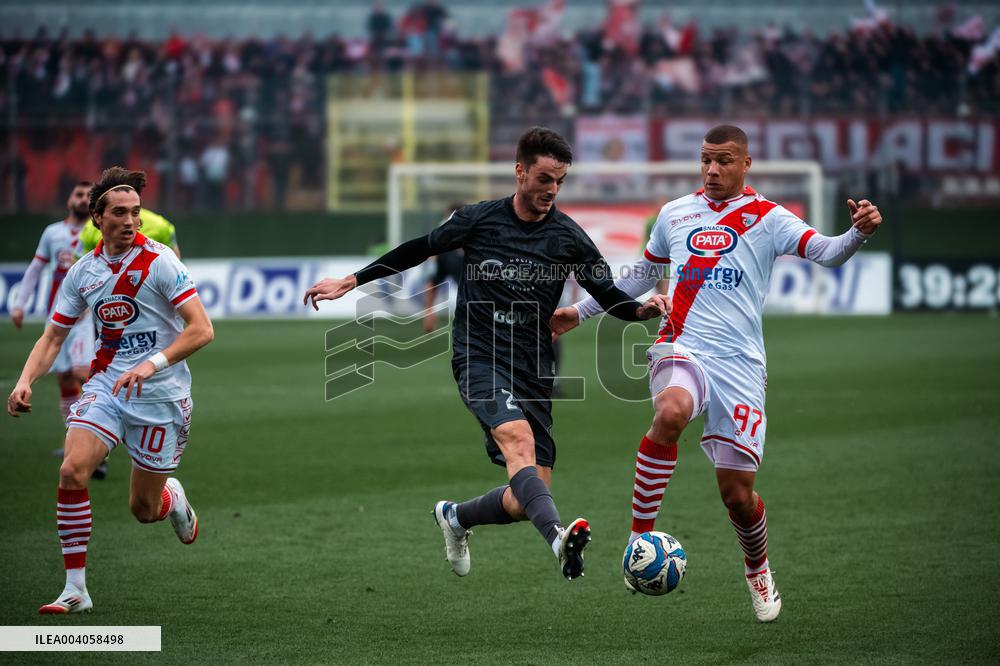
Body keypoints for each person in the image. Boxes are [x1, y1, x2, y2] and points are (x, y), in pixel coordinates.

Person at [305, 127, 669, 581]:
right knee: (517, 440)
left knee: (525, 498)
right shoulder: (479, 219)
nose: (551, 190)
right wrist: (352, 281)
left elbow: (607, 292)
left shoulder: (569, 238)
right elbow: (419, 248)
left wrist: (641, 310)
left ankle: (456, 518)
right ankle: (559, 539)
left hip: (533, 366)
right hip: (478, 355)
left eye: (559, 181)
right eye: (543, 178)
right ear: (520, 172)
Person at [552, 124, 883, 620]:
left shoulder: (770, 218)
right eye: (706, 159)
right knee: (672, 410)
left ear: (745, 163)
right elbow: (643, 276)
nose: (712, 169)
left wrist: (858, 231)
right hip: (679, 346)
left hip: (740, 366)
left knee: (738, 495)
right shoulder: (674, 213)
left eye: (724, 160)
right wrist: (579, 313)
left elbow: (828, 252)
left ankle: (757, 568)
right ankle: (639, 540)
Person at [7, 167, 214, 614]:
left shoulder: (161, 262)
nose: (130, 220)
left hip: (162, 396)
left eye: (135, 212)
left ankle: (171, 498)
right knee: (71, 471)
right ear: (96, 219)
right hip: (107, 387)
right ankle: (75, 588)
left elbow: (202, 330)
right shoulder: (84, 271)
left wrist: (151, 364)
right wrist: (25, 380)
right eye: (119, 212)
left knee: (143, 509)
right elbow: (53, 338)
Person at [11, 182, 106, 478]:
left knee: (83, 374)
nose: (81, 199)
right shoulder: (53, 233)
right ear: (69, 199)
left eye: (87, 196)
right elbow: (36, 269)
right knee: (65, 379)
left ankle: (97, 442)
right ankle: (74, 440)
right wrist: (20, 303)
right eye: (78, 194)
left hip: (85, 317)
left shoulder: (97, 232)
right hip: (58, 315)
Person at [78, 208, 181, 258]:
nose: (129, 222)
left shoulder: (160, 225)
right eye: (119, 213)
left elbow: (175, 264)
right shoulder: (90, 227)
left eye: (135, 214)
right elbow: (78, 266)